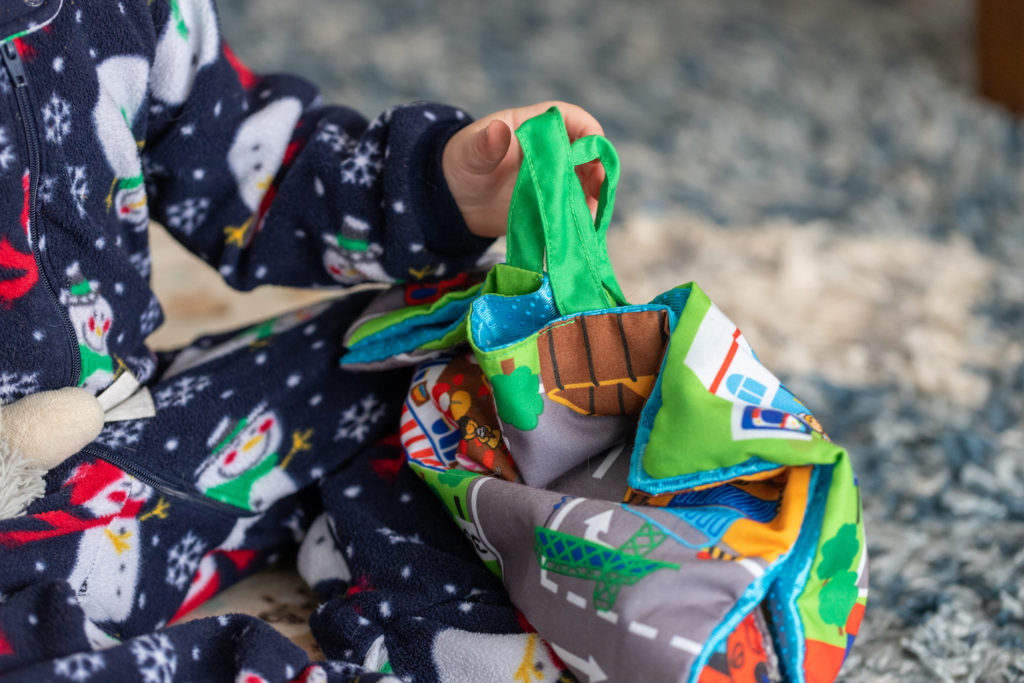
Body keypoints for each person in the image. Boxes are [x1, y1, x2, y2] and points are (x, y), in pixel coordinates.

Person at [0, 0, 601, 680]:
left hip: (136, 420)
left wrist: (441, 185)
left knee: (442, 333)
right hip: (23, 539)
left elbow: (248, 162)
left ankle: (439, 635)